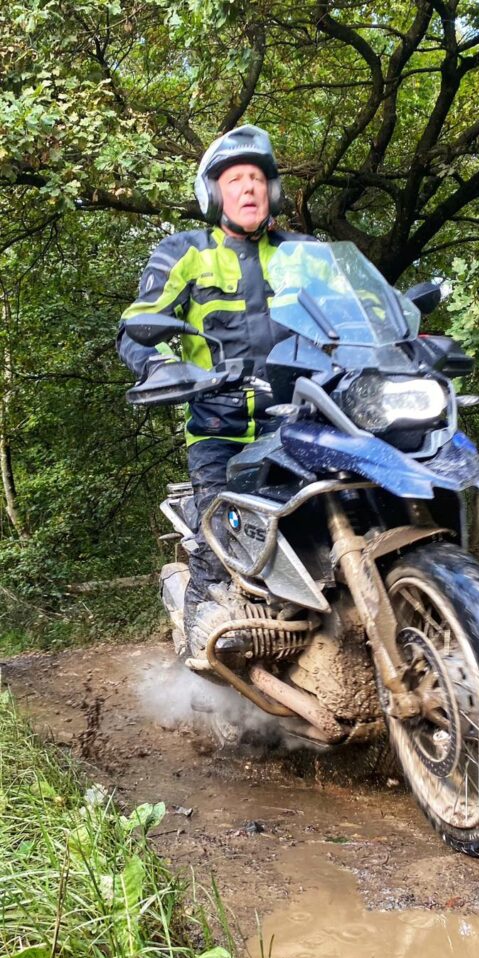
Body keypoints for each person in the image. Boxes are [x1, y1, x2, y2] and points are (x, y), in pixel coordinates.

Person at [117, 124, 313, 651]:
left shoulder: (304, 253)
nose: (248, 187)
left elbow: (357, 314)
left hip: (304, 424)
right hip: (221, 429)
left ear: (273, 190)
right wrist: (161, 367)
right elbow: (136, 327)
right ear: (213, 193)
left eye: (257, 178)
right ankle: (205, 656)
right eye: (234, 179)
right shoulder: (185, 251)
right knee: (217, 549)